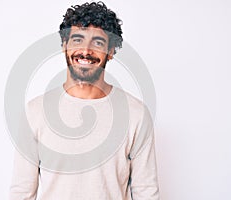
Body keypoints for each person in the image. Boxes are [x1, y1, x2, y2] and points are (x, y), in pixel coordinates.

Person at [9, 1, 160, 199]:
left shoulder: (136, 114)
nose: (86, 51)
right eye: (77, 39)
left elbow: (146, 192)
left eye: (98, 43)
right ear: (64, 45)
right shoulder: (35, 112)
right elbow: (22, 192)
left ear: (111, 51)